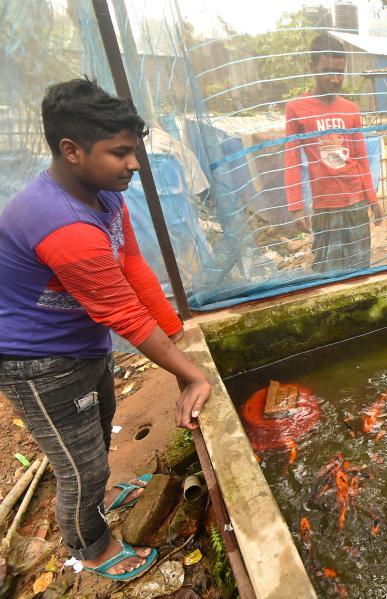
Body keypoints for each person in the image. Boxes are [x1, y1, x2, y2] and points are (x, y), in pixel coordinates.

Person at [0, 78, 211, 581]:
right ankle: (90, 546)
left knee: (97, 431)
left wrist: (175, 333)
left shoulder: (102, 194)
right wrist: (193, 374)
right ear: (71, 150)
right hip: (37, 361)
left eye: (133, 151)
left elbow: (133, 264)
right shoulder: (63, 225)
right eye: (119, 153)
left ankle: (93, 504)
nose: (134, 164)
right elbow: (124, 314)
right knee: (80, 466)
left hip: (80, 342)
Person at [284, 33, 383, 273]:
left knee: (359, 264)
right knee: (326, 267)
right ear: (312, 67)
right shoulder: (297, 109)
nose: (335, 78)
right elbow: (292, 159)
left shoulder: (350, 110)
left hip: (355, 203)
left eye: (340, 71)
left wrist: (372, 199)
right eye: (328, 70)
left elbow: (360, 158)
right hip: (324, 205)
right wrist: (296, 206)